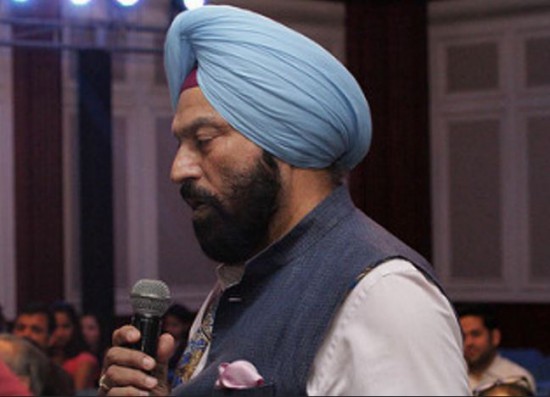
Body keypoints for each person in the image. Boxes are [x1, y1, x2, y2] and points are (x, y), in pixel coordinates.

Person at [99, 5, 469, 396]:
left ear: (284, 141)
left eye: (204, 140)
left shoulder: (382, 298)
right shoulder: (241, 284)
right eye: (181, 144)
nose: (179, 169)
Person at [458, 304, 537, 394]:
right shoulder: (451, 376)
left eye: (476, 334)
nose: (468, 343)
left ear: (495, 337)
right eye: (463, 336)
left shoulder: (517, 377)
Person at [12, 302, 75, 396]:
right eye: (21, 328)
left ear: (51, 338)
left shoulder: (59, 379)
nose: (26, 334)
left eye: (35, 330)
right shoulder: (3, 368)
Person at [50, 301, 100, 393]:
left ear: (75, 328)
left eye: (65, 326)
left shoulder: (85, 360)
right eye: (55, 326)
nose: (60, 333)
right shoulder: (45, 357)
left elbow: (77, 393)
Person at [162, 304, 195, 385]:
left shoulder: (189, 347)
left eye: (174, 325)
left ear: (185, 326)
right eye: (167, 325)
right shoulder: (160, 342)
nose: (168, 329)